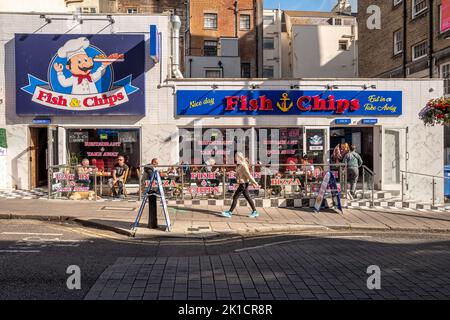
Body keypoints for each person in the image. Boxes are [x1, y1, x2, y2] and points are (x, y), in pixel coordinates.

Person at [222, 152, 259, 218]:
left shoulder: (243, 165)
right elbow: (240, 173)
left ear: (239, 157)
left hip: (243, 184)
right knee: (248, 197)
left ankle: (230, 212)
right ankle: (255, 211)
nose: (235, 158)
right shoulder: (240, 164)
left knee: (235, 197)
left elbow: (248, 175)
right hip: (243, 183)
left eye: (236, 156)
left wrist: (254, 183)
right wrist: (234, 173)